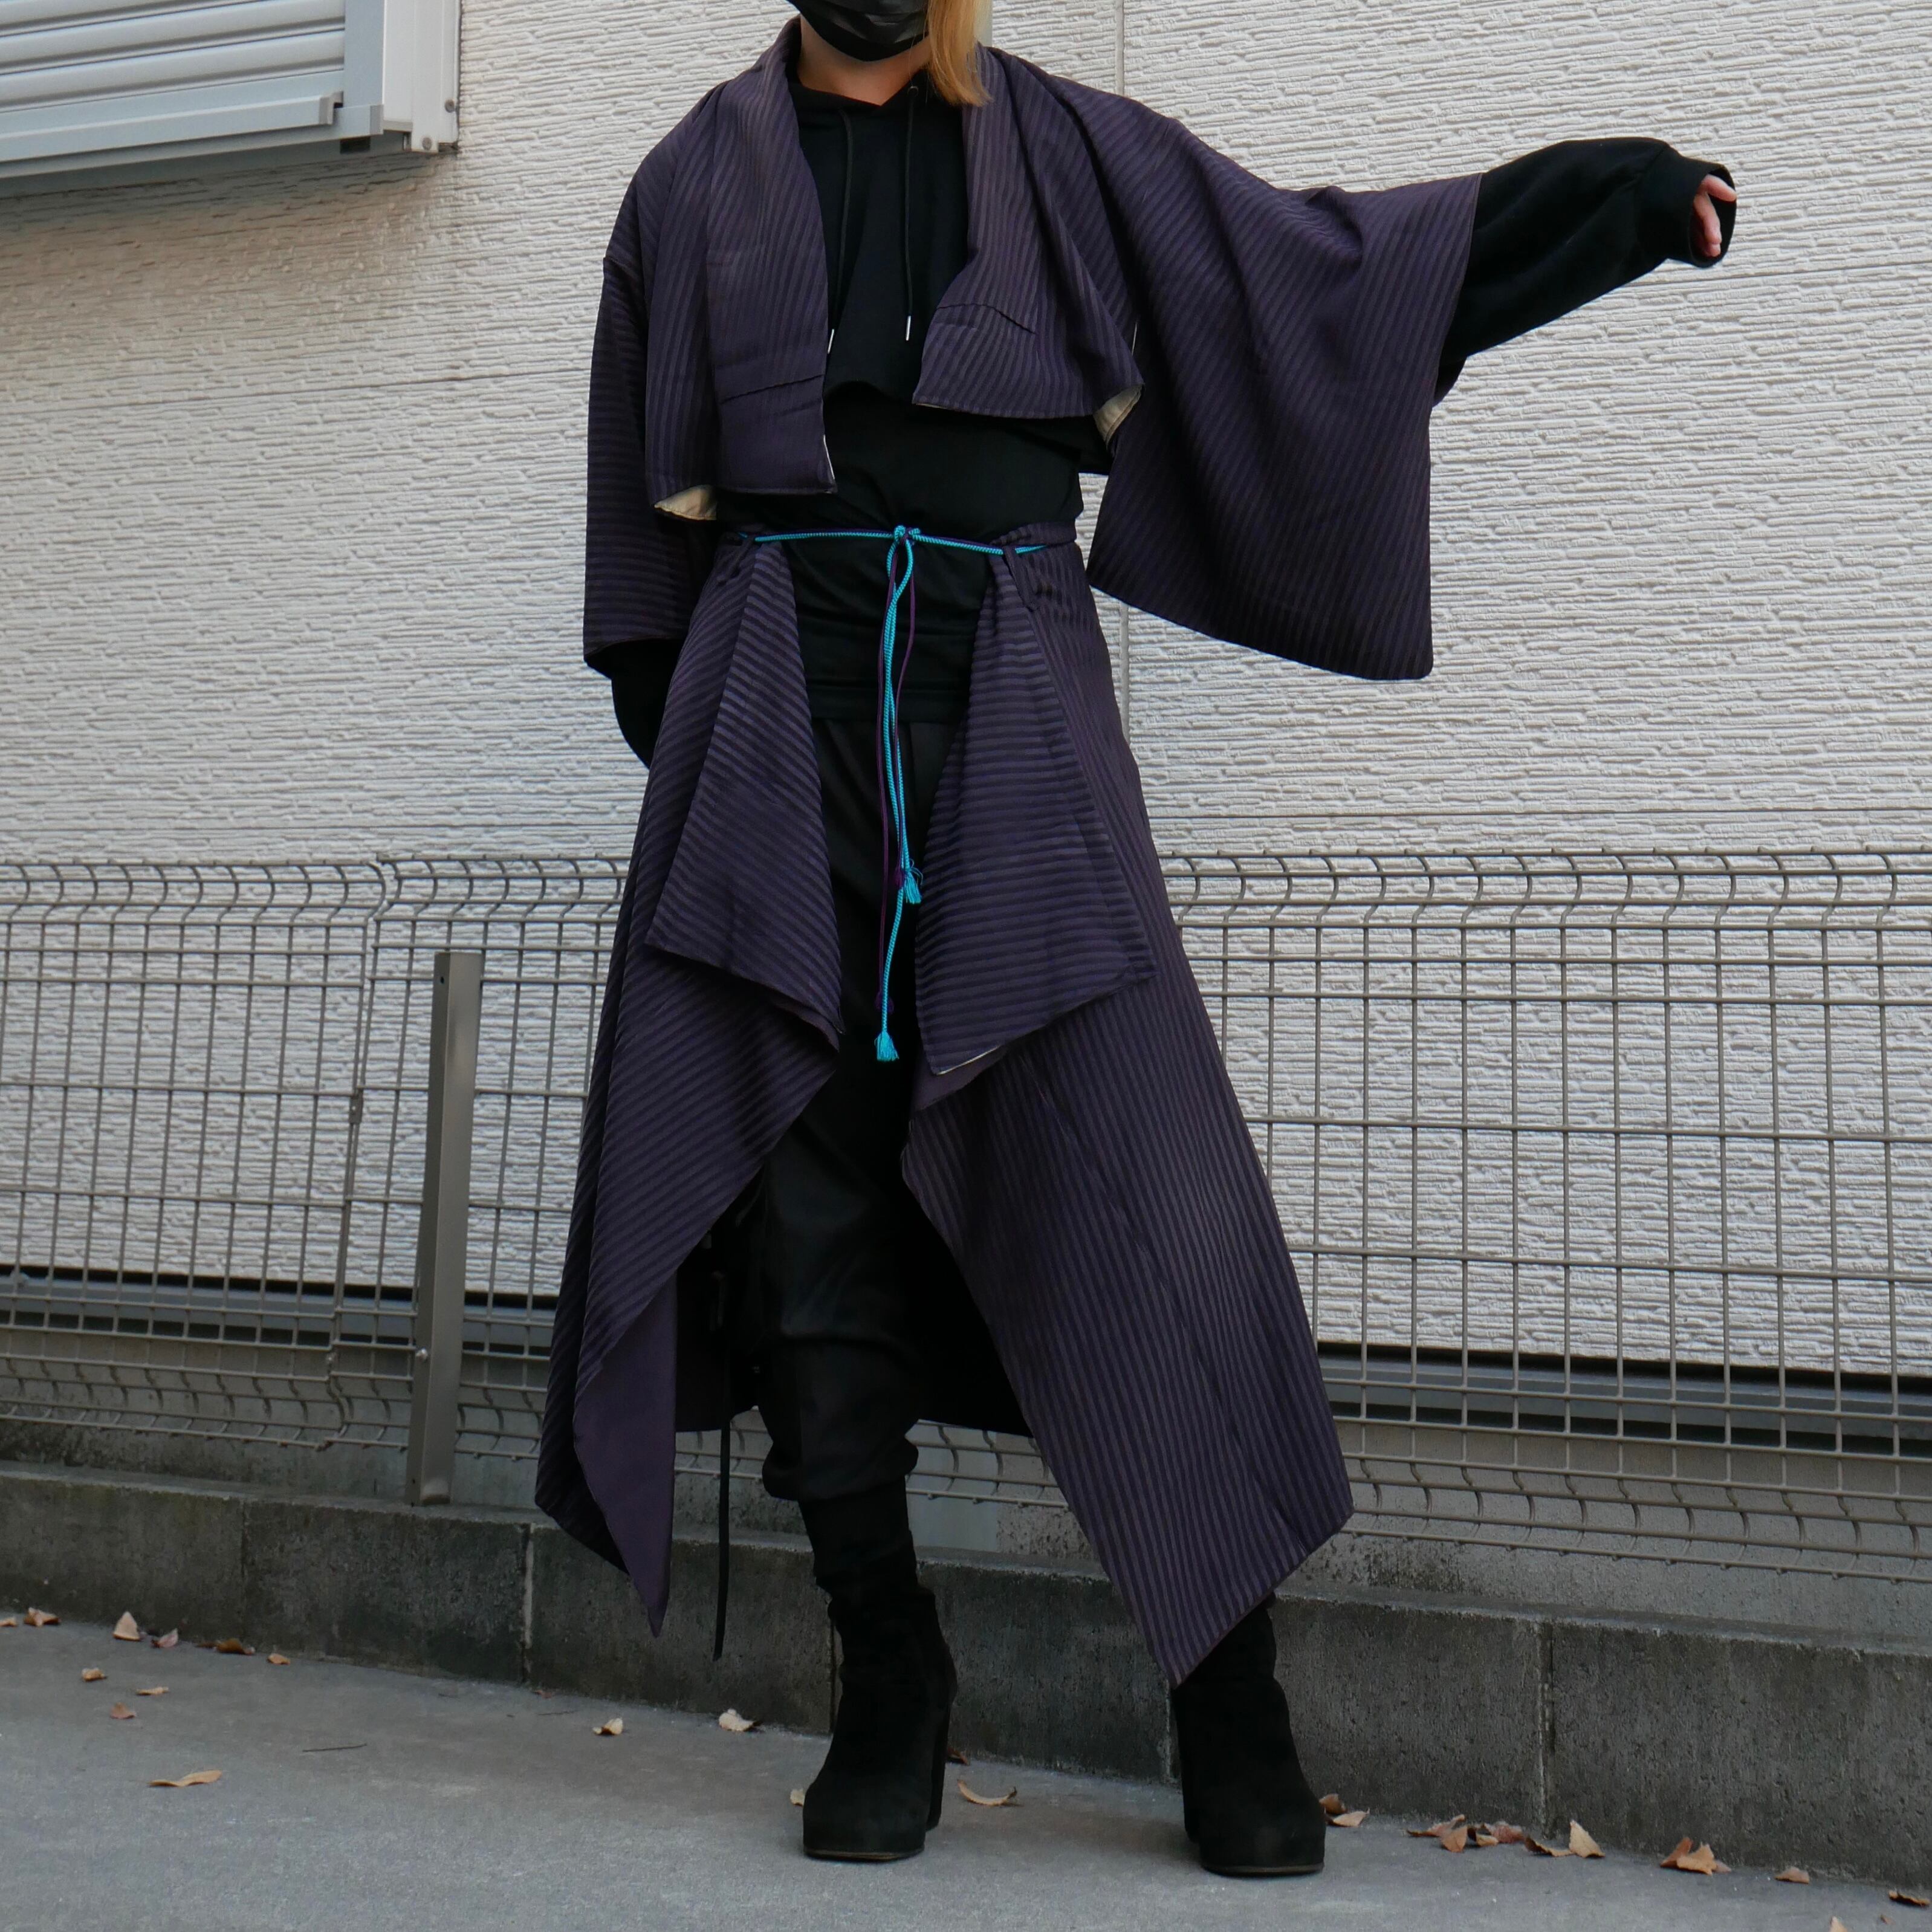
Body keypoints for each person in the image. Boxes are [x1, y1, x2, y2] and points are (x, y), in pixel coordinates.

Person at [539, 0, 1737, 1876]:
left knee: (1140, 1193)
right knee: (804, 1219)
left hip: (1012, 702)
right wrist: (719, 754)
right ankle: (887, 1674)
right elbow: (641, 555)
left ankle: (1227, 1696)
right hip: (773, 719)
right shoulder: (688, 180)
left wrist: (1606, 206)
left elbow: (1320, 281)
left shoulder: (1062, 149)